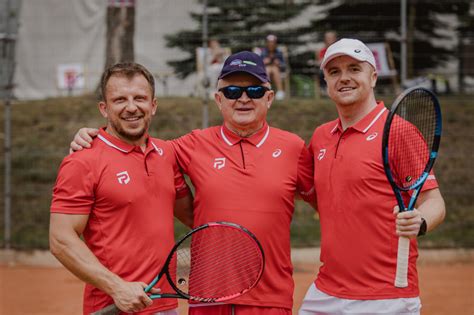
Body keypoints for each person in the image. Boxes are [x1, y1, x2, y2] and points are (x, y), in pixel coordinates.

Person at [70, 51, 317, 315]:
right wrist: (93, 137)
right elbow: (135, 148)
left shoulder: (294, 148)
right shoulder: (189, 145)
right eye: (232, 91)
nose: (243, 98)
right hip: (207, 298)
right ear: (218, 99)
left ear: (269, 98)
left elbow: (332, 202)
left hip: (270, 299)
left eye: (254, 90)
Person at [299, 38, 446, 315]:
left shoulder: (399, 132)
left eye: (354, 69)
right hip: (325, 292)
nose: (344, 78)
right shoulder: (320, 136)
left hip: (385, 297)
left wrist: (421, 221)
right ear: (326, 81)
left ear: (373, 76)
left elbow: (434, 202)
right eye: (334, 72)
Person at [49, 62, 193, 315]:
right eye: (119, 100)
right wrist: (117, 287)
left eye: (140, 98)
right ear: (104, 108)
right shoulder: (82, 161)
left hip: (165, 305)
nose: (131, 107)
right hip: (114, 305)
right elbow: (61, 240)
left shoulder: (167, 154)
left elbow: (195, 216)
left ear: (153, 105)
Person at [261, 34, 286, 100]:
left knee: (274, 69)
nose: (271, 44)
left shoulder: (279, 52)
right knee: (268, 69)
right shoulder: (262, 52)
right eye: (269, 42)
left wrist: (279, 63)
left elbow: (284, 65)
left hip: (277, 71)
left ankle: (274, 91)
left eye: (273, 42)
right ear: (267, 43)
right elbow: (258, 65)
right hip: (266, 70)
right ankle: (269, 90)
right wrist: (264, 62)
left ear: (275, 43)